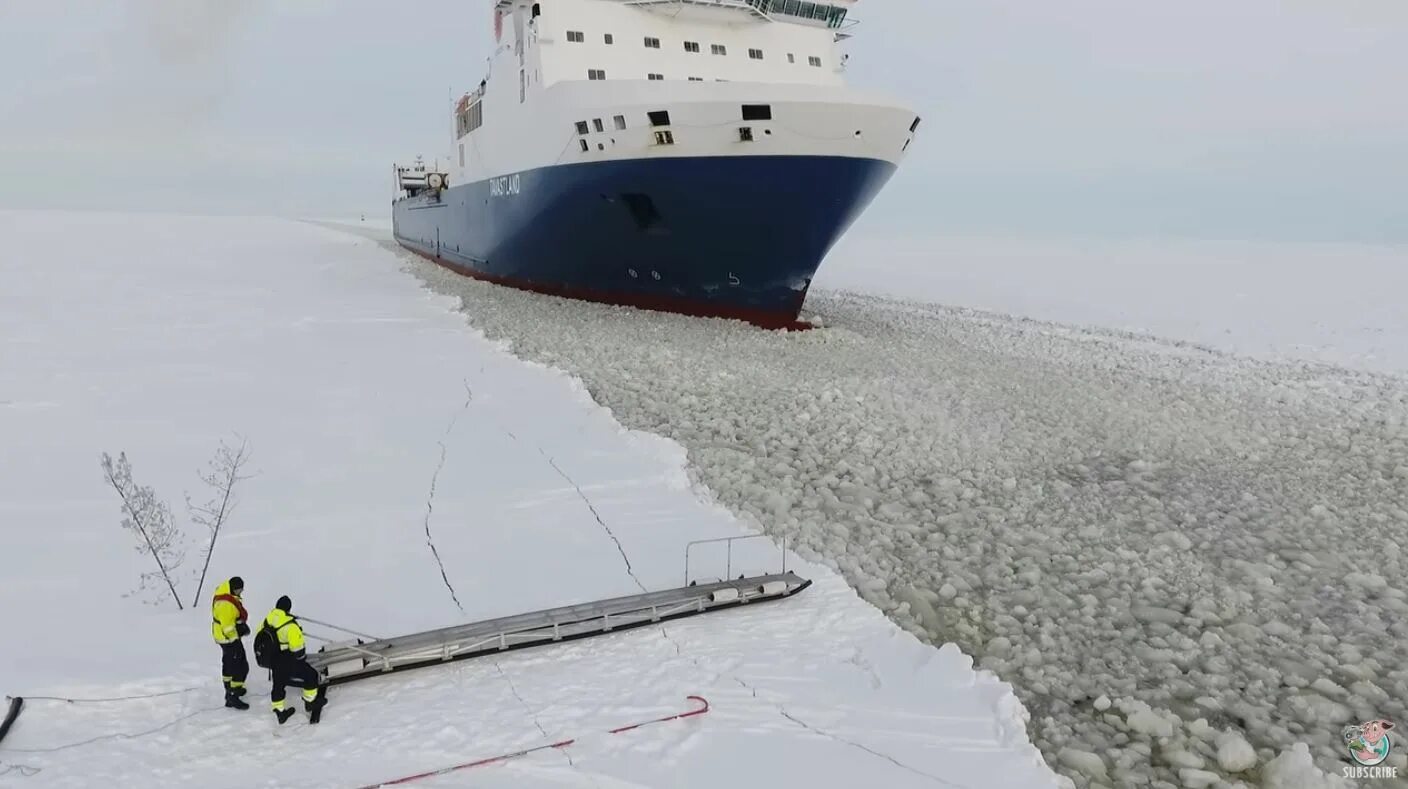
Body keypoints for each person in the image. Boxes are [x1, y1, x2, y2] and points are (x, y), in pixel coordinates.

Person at [262, 595, 326, 724]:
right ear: (289, 609)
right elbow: (298, 650)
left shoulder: (268, 620)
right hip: (287, 659)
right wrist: (301, 660)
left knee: (278, 684)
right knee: (311, 675)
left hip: (274, 659)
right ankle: (310, 703)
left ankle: (279, 712)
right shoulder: (290, 625)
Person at [210, 576, 250, 710]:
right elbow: (227, 627)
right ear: (234, 589)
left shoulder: (224, 595)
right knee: (241, 666)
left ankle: (229, 689)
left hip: (222, 637)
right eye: (239, 590)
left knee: (228, 661)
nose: (241, 593)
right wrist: (236, 637)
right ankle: (233, 694)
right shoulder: (226, 604)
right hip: (228, 638)